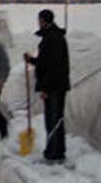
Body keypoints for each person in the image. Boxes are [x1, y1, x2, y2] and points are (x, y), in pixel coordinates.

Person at [24, 9, 70, 163]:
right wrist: (32, 60)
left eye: (39, 20)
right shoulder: (51, 37)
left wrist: (46, 88)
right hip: (54, 85)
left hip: (54, 87)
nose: (38, 23)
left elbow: (53, 66)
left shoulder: (53, 39)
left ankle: (55, 152)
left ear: (43, 21)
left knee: (54, 119)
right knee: (51, 119)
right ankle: (53, 150)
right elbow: (44, 62)